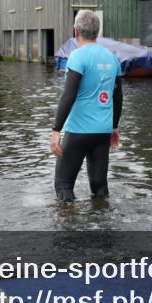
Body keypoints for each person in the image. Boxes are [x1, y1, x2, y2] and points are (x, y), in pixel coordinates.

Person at [50, 10, 123, 201]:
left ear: (76, 31)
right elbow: (118, 96)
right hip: (102, 131)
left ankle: (69, 220)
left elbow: (69, 94)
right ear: (97, 32)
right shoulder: (112, 57)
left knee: (63, 186)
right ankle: (101, 217)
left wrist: (56, 130)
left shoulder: (77, 56)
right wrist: (114, 127)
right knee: (100, 187)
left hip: (78, 131)